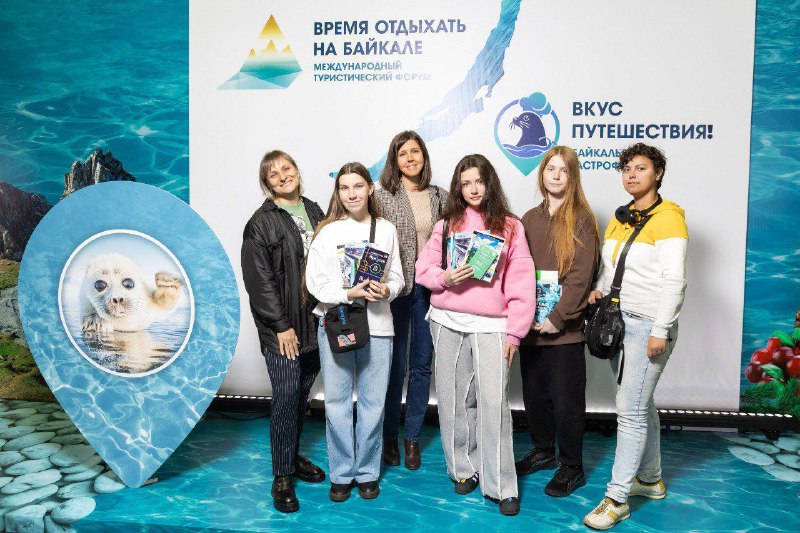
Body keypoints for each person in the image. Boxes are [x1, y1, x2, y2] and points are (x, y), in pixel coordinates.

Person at [415, 154, 535, 516]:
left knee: (493, 404)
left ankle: (501, 485)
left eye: (479, 181)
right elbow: (423, 268)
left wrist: (515, 334)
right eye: (466, 183)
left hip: (492, 325)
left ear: (489, 183)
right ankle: (463, 469)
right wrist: (444, 277)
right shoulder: (446, 224)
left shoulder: (511, 226)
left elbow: (521, 283)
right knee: (453, 401)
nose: (473, 189)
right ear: (458, 187)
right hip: (447, 320)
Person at [583, 143, 688, 530]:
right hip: (618, 322)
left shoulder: (669, 219)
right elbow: (612, 266)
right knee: (641, 405)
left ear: (657, 174)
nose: (631, 174)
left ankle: (617, 499)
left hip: (647, 325)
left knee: (629, 411)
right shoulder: (621, 217)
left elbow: (674, 281)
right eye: (626, 168)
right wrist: (599, 288)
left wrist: (660, 330)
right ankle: (650, 480)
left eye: (640, 168)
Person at [305, 162, 404, 502]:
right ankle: (342, 473)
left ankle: (367, 472)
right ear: (338, 192)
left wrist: (386, 290)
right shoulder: (327, 232)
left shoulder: (386, 229)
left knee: (374, 404)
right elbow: (315, 283)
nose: (352, 194)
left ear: (370, 188)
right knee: (336, 402)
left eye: (358, 186)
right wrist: (349, 293)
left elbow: (398, 277)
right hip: (337, 324)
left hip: (378, 326)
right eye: (344, 188)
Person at [241, 150, 327, 514]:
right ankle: (281, 476)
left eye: (286, 168)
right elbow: (258, 282)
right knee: (286, 393)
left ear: (297, 171)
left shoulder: (315, 210)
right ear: (267, 184)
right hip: (283, 328)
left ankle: (291, 457)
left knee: (302, 392)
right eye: (273, 174)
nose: (282, 176)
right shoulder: (260, 223)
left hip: (316, 321)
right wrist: (282, 326)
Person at [517, 146, 599, 498]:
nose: (555, 175)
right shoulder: (528, 219)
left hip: (564, 331)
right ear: (542, 173)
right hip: (530, 329)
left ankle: (571, 466)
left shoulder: (582, 219)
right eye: (550, 168)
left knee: (567, 403)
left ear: (572, 176)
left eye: (563, 170)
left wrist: (558, 317)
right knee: (535, 396)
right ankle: (543, 451)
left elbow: (581, 277)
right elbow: (517, 270)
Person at [376, 131, 447, 470]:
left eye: (415, 151)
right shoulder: (382, 197)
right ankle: (389, 436)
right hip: (396, 289)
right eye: (402, 153)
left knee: (421, 365)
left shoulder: (440, 196)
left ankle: (412, 438)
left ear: (424, 156)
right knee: (394, 367)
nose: (410, 158)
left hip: (428, 290)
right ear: (395, 160)